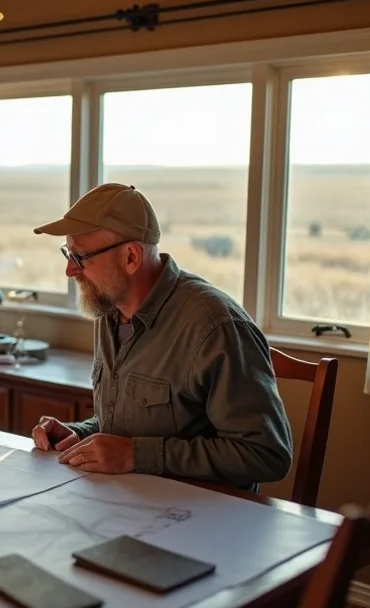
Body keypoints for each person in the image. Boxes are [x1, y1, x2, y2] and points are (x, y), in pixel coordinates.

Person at [30, 183, 293, 491]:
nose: (70, 271)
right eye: (68, 253)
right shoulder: (110, 309)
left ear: (130, 257)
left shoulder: (214, 325)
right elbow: (131, 423)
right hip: (130, 502)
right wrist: (82, 434)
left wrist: (134, 455)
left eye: (80, 257)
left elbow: (267, 454)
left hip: (203, 520)